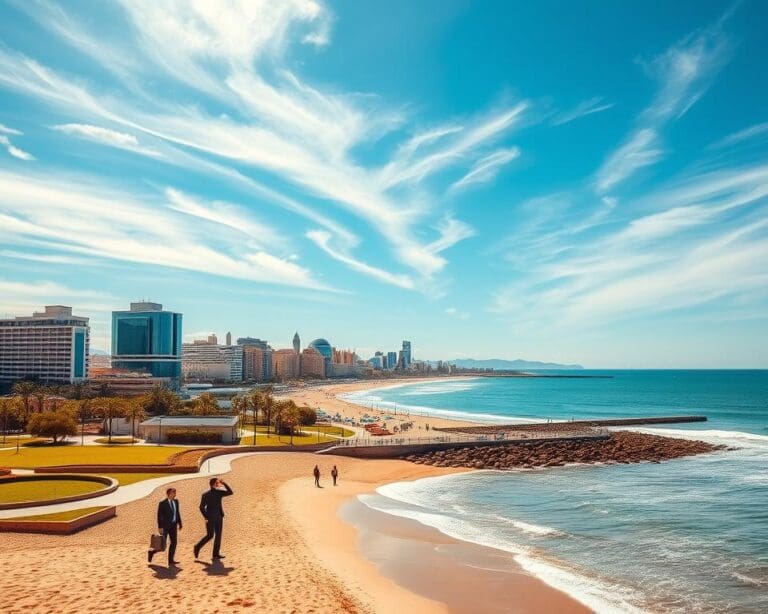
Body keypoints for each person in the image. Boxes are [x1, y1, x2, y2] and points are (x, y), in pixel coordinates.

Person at [193, 477, 233, 560]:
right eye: (217, 483)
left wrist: (224, 483)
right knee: (210, 535)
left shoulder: (219, 492)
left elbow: (230, 492)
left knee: (218, 535)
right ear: (214, 484)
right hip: (210, 518)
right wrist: (206, 517)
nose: (219, 484)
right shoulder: (206, 494)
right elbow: (201, 507)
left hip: (219, 516)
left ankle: (215, 554)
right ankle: (197, 547)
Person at [151, 487, 182, 566]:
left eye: (175, 492)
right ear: (168, 494)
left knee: (174, 542)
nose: (175, 494)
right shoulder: (162, 503)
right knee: (162, 545)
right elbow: (159, 515)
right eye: (173, 492)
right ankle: (151, 552)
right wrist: (160, 527)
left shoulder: (176, 501)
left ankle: (171, 560)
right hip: (165, 526)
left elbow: (177, 513)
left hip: (173, 525)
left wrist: (180, 523)